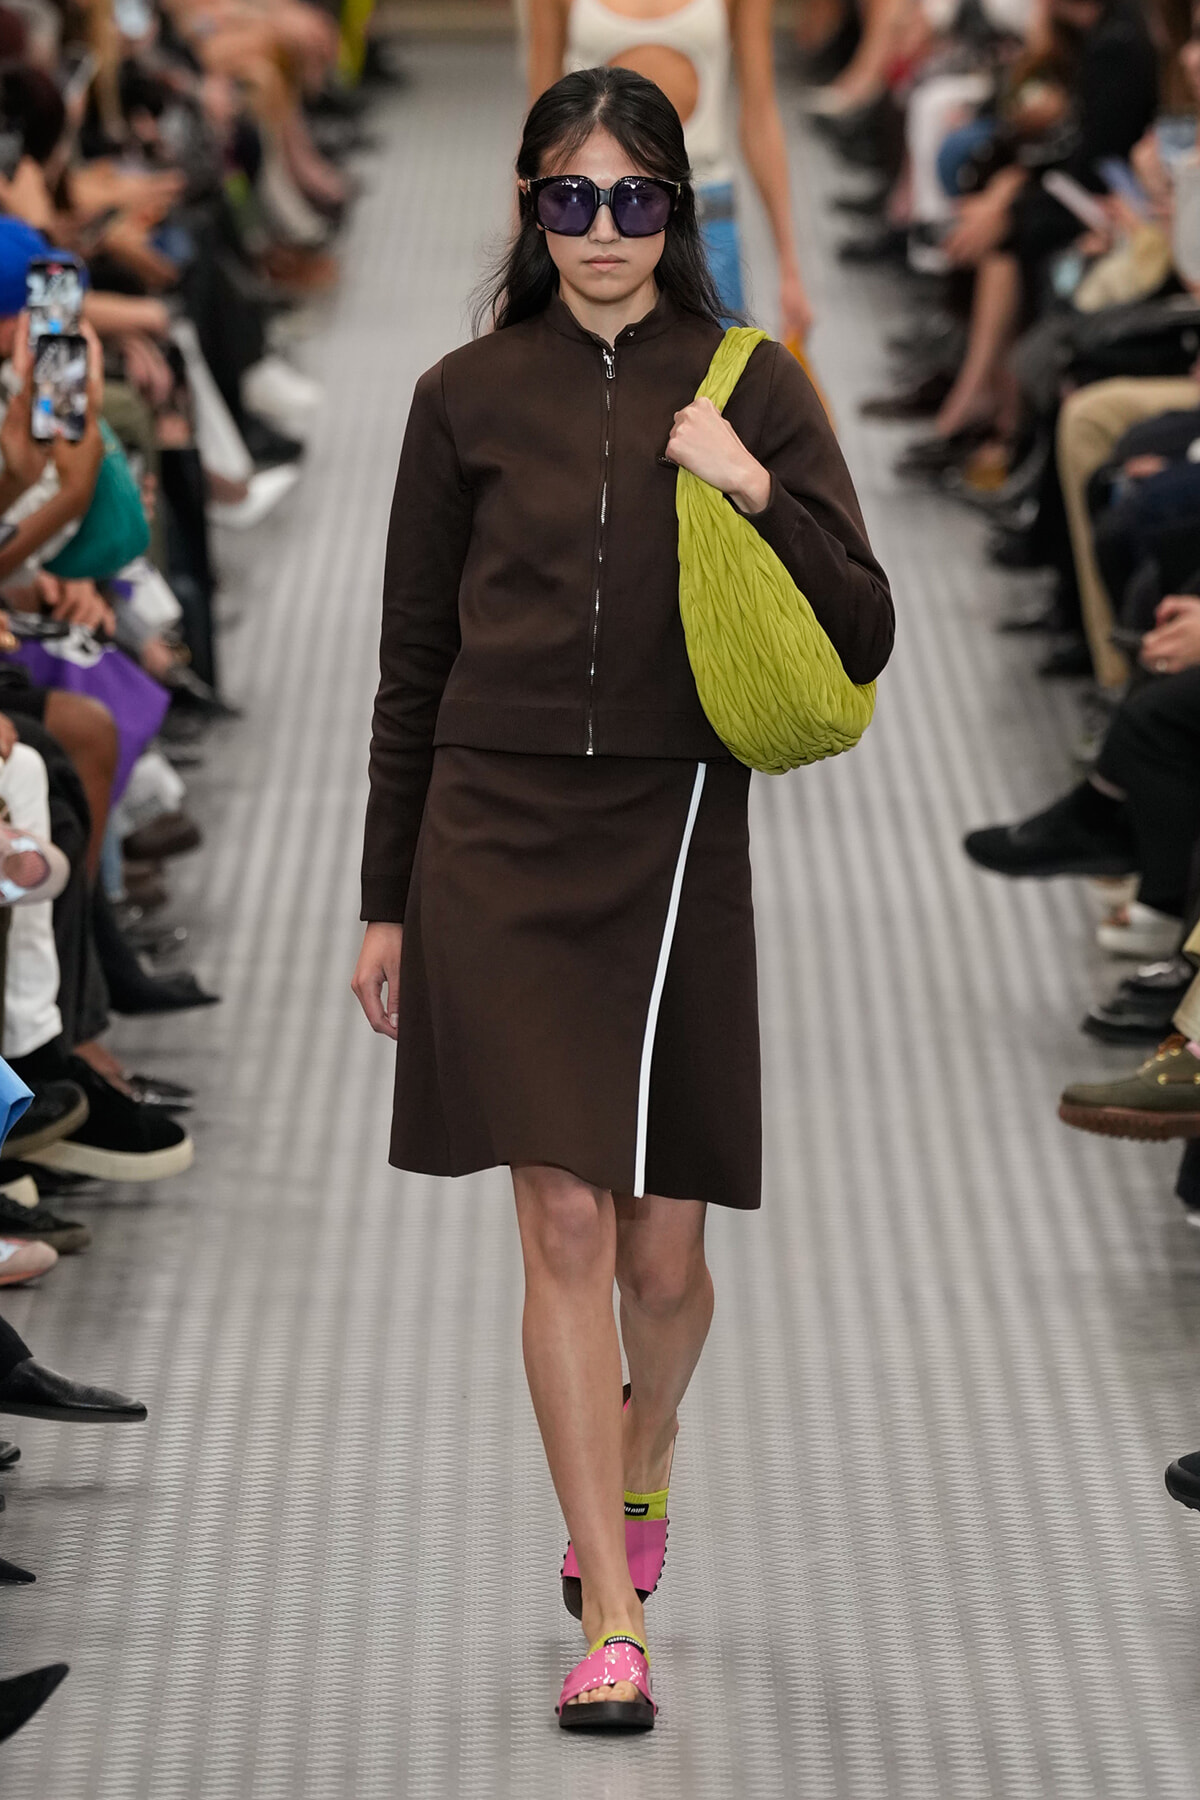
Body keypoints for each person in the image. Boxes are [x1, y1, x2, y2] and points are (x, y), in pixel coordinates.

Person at [353, 66, 892, 1730]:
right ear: (530, 206)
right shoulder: (460, 396)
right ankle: (607, 1603)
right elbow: (412, 664)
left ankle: (646, 1454)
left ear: (679, 210)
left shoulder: (754, 385)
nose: (602, 231)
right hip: (491, 838)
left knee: (667, 1260)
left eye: (636, 200)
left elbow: (862, 630)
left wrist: (748, 483)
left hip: (670, 838)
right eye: (571, 199)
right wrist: (385, 898)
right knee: (567, 1223)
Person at [526, 0, 815, 334]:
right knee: (592, 371)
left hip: (702, 211)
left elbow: (760, 116)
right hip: (592, 212)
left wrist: (790, 268)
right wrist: (518, 268)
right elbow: (538, 132)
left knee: (715, 373)